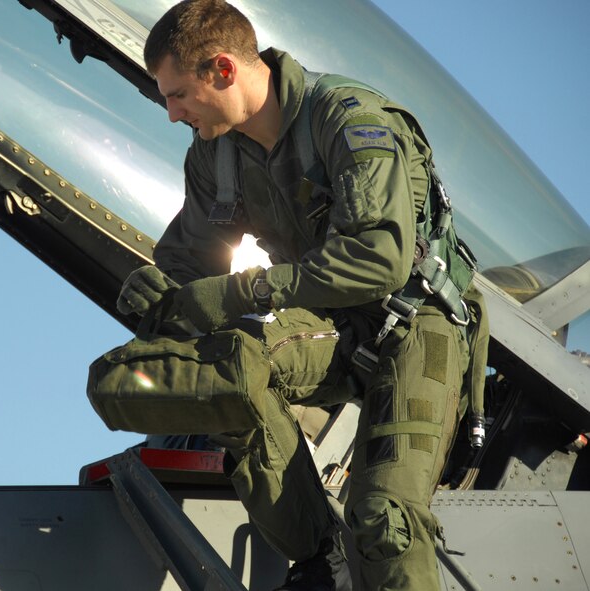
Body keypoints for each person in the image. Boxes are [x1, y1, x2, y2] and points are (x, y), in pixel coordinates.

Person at [116, 1, 487, 589]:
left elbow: (379, 259)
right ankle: (321, 556)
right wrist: (155, 292)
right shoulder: (217, 153)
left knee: (385, 519)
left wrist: (248, 290)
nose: (172, 113)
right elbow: (190, 258)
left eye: (178, 95)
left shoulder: (347, 120)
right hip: (333, 327)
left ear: (223, 69)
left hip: (419, 323)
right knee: (224, 372)